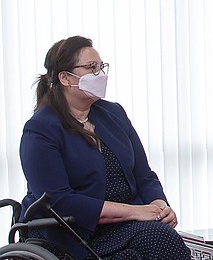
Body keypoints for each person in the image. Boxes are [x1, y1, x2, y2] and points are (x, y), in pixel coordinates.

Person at [20, 36, 190, 259]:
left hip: (126, 227)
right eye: (92, 68)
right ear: (64, 77)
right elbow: (60, 202)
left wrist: (159, 207)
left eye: (101, 67)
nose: (100, 74)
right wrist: (136, 212)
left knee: (161, 235)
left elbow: (144, 175)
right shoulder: (41, 129)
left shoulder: (114, 114)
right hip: (71, 234)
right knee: (157, 239)